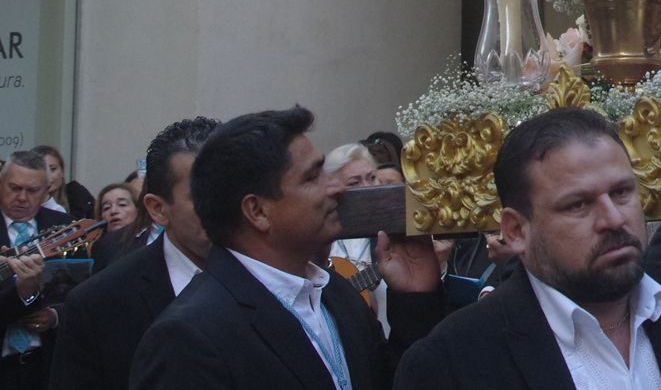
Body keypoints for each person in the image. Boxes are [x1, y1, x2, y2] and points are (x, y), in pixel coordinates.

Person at [393, 106, 661, 390]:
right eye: (579, 205)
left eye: (622, 193)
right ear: (515, 230)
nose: (613, 219)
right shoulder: (454, 362)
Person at [131, 107, 444, 390]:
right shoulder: (188, 338)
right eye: (312, 177)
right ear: (258, 211)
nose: (335, 187)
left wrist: (414, 299)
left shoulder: (335, 294)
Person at [48, 117, 218, 390]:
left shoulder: (283, 277)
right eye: (205, 194)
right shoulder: (98, 304)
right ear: (158, 209)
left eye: (233, 188)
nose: (226, 205)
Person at [1, 151, 73, 388]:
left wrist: (55, 316)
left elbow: (80, 291)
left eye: (32, 191)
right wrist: (23, 293)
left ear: (46, 192)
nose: (22, 197)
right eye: (14, 188)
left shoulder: (64, 228)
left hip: (46, 363)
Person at [325, 143, 390, 333]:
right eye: (355, 183)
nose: (368, 188)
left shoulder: (394, 232)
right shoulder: (323, 237)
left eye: (372, 178)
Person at [87, 184, 149, 273]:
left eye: (122, 205)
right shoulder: (100, 247)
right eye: (106, 208)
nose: (113, 211)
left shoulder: (150, 238)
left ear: (138, 210)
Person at [29, 149, 93, 222]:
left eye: (52, 169)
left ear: (62, 171)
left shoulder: (77, 197)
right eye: (41, 170)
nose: (47, 176)